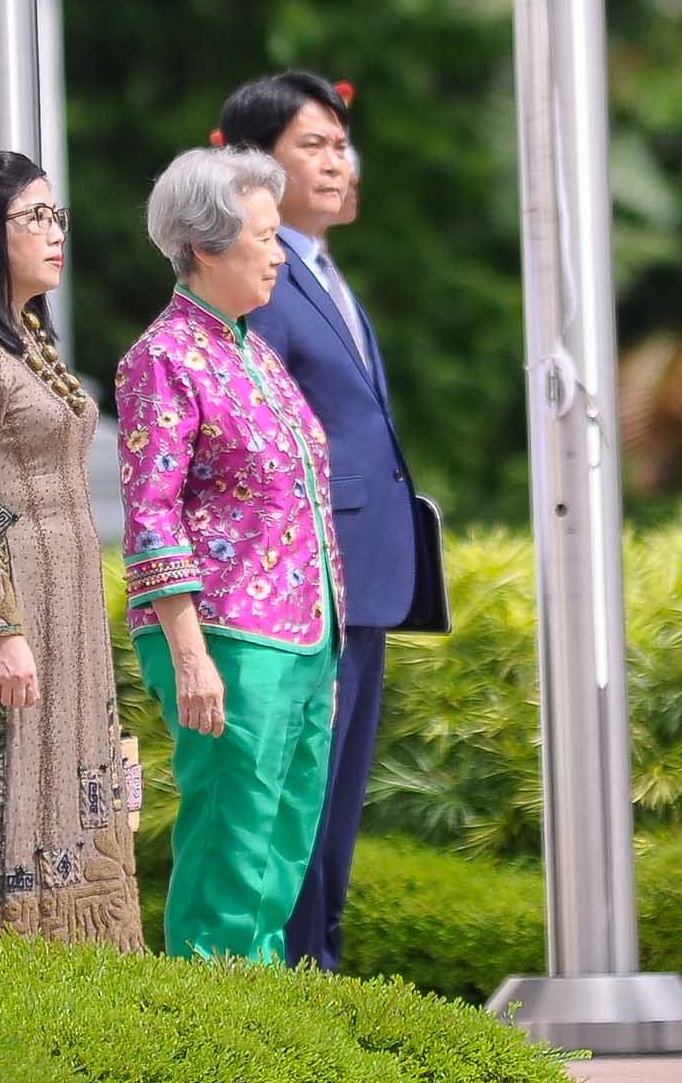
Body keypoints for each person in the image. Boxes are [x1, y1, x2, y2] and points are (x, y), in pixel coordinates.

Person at [0, 152, 143, 950]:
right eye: (33, 217)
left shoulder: (23, 337)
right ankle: (9, 986)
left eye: (56, 216)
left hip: (66, 602)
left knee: (74, 790)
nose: (54, 233)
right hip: (9, 617)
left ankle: (89, 973)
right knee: (11, 793)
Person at [117, 146, 343, 962]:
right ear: (207, 246)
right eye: (265, 235)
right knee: (231, 850)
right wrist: (190, 656)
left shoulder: (258, 354)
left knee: (282, 849)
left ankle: (265, 1022)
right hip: (228, 639)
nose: (281, 253)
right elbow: (149, 514)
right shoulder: (163, 357)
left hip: (306, 638)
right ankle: (215, 1028)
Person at [218, 72, 418, 972]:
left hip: (363, 577)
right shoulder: (260, 280)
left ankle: (323, 973)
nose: (341, 163)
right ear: (259, 165)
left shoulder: (325, 274)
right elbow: (254, 443)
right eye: (316, 146)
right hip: (301, 584)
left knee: (337, 802)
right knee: (298, 798)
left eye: (343, 145)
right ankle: (300, 984)